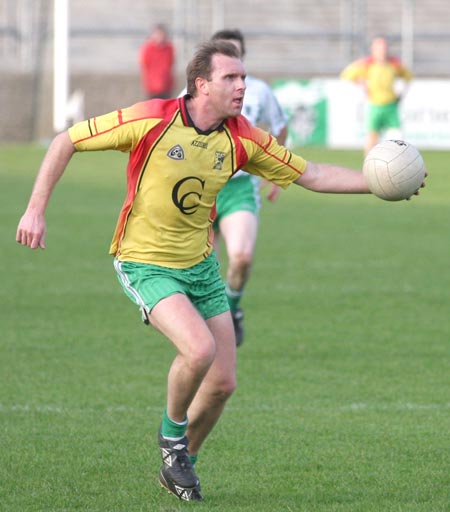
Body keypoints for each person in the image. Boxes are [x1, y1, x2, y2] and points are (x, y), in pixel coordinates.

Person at [16, 41, 424, 503]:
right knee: (199, 349)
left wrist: (378, 184)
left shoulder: (242, 137)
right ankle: (171, 440)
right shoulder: (151, 117)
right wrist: (35, 209)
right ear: (201, 84)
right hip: (144, 261)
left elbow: (311, 175)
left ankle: (177, 465)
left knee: (223, 383)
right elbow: (66, 140)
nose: (243, 86)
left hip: (201, 267)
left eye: (244, 78)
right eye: (231, 78)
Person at [181, 29, 288, 346]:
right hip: (198, 190)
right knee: (205, 271)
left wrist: (274, 170)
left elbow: (281, 127)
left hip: (239, 188)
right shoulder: (192, 95)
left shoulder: (259, 92)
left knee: (241, 257)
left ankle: (232, 310)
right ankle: (207, 332)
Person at [340, 36, 413, 154]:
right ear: (373, 50)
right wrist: (361, 85)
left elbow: (408, 77)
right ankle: (368, 168)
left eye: (384, 48)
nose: (382, 51)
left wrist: (402, 93)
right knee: (372, 140)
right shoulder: (367, 64)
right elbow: (346, 75)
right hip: (375, 105)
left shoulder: (394, 64)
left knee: (398, 140)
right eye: (379, 48)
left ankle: (398, 168)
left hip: (391, 106)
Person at [139, 23, 175, 99]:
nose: (160, 37)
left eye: (162, 34)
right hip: (151, 88)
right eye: (158, 34)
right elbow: (144, 65)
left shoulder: (169, 48)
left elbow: (170, 65)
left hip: (166, 87)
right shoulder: (148, 48)